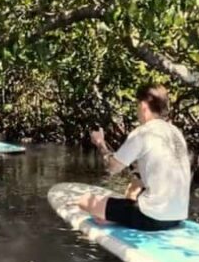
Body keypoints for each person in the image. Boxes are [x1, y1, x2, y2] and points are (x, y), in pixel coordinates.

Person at [77, 83, 191, 231]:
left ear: (143, 106)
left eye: (137, 105)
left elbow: (112, 168)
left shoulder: (143, 132)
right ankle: (115, 217)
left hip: (151, 217)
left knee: (84, 200)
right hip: (177, 217)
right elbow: (145, 177)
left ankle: (112, 218)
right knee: (133, 188)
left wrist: (100, 144)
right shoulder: (176, 133)